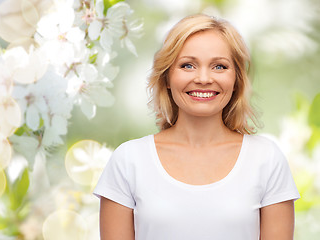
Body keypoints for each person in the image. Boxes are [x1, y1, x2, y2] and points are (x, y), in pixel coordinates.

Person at [93, 14, 300, 239]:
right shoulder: (128, 160)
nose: (203, 78)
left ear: (236, 80)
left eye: (219, 66)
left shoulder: (266, 159)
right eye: (188, 65)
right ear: (167, 78)